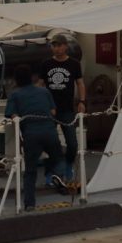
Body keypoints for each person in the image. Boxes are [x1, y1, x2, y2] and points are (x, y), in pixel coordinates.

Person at [4, 64, 64, 210]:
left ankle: (29, 204)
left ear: (16, 80)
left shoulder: (15, 95)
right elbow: (54, 112)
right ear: (32, 78)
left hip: (31, 135)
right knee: (58, 158)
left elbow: (12, 115)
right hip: (50, 133)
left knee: (30, 171)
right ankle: (59, 182)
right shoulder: (44, 92)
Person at [38, 33, 86, 182]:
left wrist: (82, 101)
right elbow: (40, 84)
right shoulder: (46, 64)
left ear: (65, 46)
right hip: (49, 110)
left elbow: (80, 83)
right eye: (54, 45)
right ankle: (50, 172)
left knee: (72, 144)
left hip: (66, 110)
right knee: (51, 143)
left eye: (59, 45)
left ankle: (67, 165)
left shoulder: (74, 64)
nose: (57, 48)